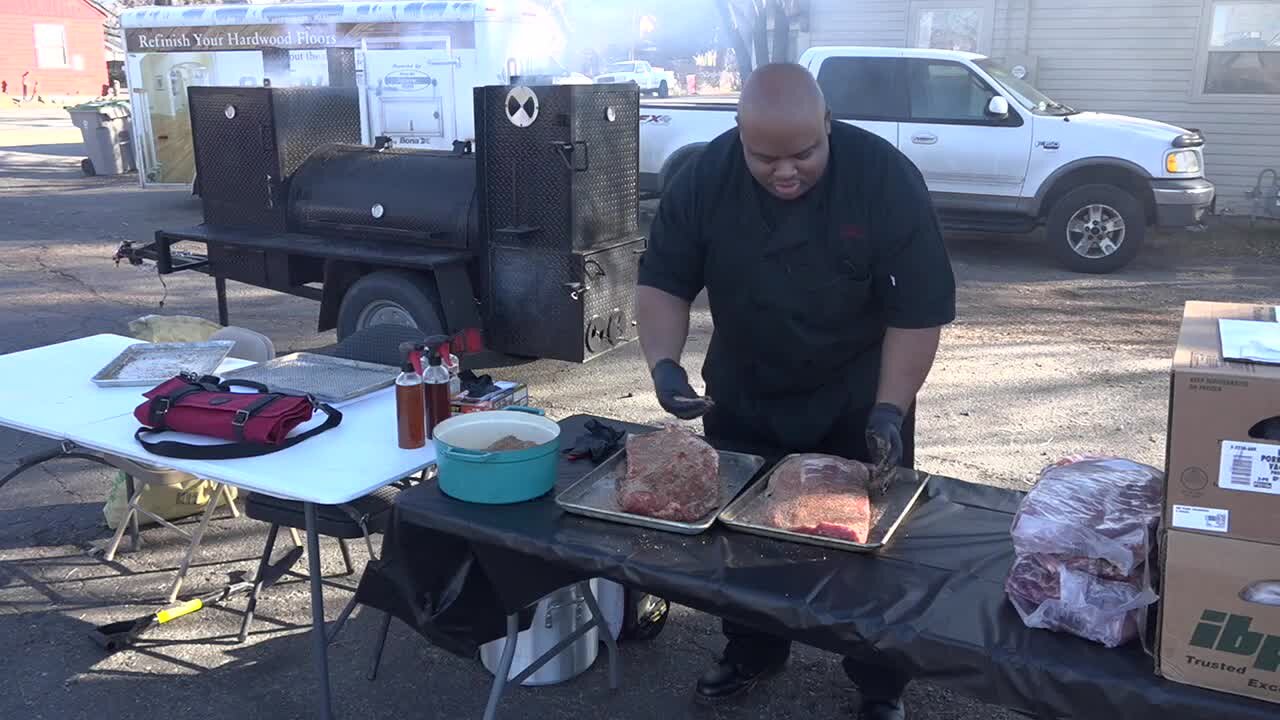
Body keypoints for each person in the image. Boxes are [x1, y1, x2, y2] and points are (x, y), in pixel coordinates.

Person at [634, 63, 955, 720]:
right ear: (739, 136)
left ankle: (878, 683)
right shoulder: (704, 177)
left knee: (869, 554)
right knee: (744, 547)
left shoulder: (884, 178)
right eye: (765, 157)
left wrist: (891, 409)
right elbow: (663, 281)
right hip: (746, 392)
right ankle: (753, 650)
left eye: (804, 154)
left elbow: (917, 312)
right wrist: (665, 367)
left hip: (860, 401)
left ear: (828, 127)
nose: (785, 172)